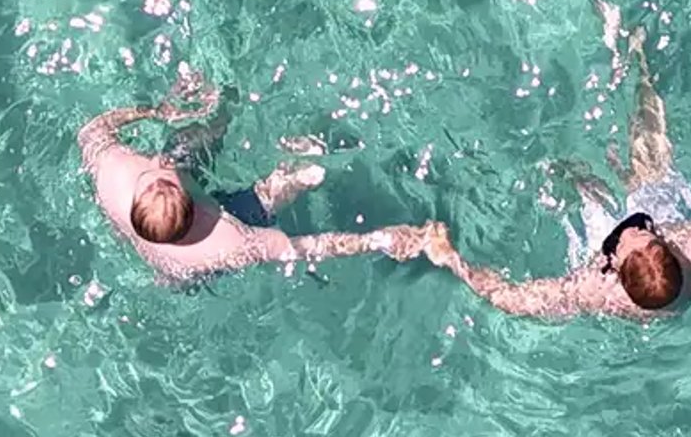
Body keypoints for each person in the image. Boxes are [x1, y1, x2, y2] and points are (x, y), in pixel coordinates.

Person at [418, 8, 691, 323]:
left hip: (599, 236)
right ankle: (634, 54)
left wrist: (449, 257)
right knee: (649, 148)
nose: (632, 228)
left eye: (623, 243)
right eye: (647, 233)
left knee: (565, 171)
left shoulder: (595, 290)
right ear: (669, 244)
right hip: (660, 202)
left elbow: (510, 298)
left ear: (615, 271)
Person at [79, 79, 434, 284]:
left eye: (152, 172)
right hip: (189, 263)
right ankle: (303, 170)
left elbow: (92, 130)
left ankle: (226, 105)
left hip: (158, 251)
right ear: (198, 211)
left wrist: (158, 111)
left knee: (197, 135)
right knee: (297, 178)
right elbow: (302, 248)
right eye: (165, 172)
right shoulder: (225, 240)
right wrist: (382, 239)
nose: (158, 160)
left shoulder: (115, 174)